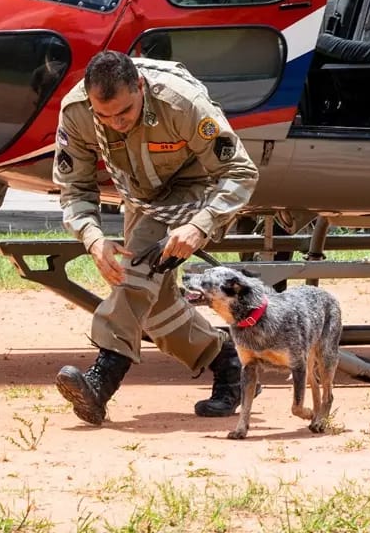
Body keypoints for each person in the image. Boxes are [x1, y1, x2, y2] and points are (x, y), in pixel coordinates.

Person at [53, 50, 259, 425]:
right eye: (104, 116)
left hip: (198, 192)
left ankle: (101, 381)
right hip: (143, 198)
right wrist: (94, 238)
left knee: (136, 272)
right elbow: (74, 189)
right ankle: (229, 364)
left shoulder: (180, 103)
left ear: (141, 88)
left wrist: (200, 225)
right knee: (155, 308)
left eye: (124, 113)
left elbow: (240, 171)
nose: (114, 123)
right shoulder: (77, 113)